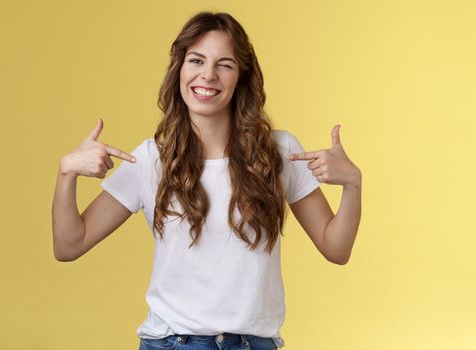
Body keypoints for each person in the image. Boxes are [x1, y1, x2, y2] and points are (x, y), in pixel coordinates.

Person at [51, 11, 362, 350]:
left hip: (253, 344)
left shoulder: (279, 152)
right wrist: (66, 173)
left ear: (241, 76)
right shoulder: (152, 159)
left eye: (225, 64)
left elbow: (337, 248)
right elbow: (69, 245)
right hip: (172, 342)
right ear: (179, 69)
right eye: (196, 60)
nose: (208, 75)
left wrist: (353, 185)